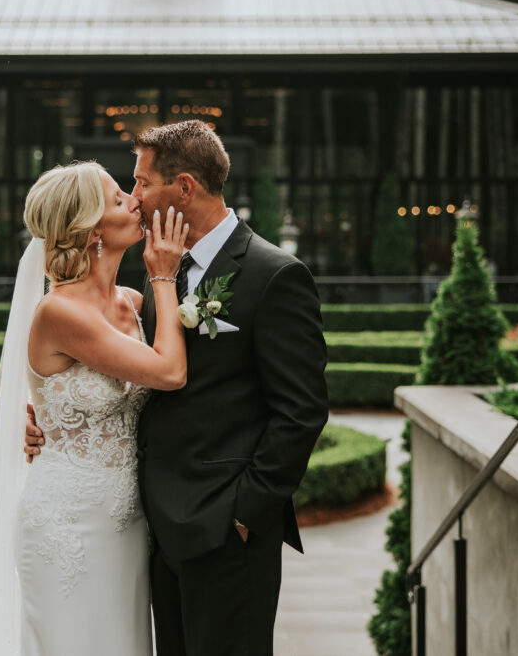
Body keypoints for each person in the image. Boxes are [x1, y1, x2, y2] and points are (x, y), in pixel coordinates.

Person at [26, 120, 329, 655]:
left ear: (184, 188)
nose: (135, 197)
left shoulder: (274, 275)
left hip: (224, 532)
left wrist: (243, 515)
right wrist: (49, 422)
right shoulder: (148, 275)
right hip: (149, 529)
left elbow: (301, 413)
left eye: (141, 183)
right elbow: (92, 369)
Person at [0, 161, 189, 656]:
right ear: (92, 228)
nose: (136, 201)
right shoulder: (60, 312)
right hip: (66, 525)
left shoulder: (132, 304)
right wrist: (165, 277)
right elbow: (169, 372)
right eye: (120, 199)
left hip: (129, 521)